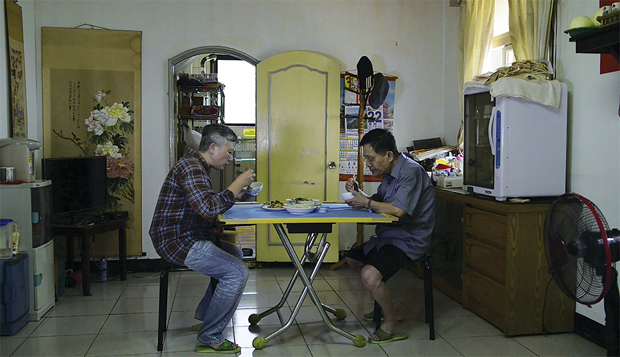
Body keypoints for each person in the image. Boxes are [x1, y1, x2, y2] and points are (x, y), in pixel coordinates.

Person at [149, 123, 255, 354]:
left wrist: (235, 195)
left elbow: (203, 202)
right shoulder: (191, 168)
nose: (230, 158)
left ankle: (208, 317)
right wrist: (235, 184)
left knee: (234, 254)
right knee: (237, 272)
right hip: (177, 242)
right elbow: (208, 209)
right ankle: (210, 336)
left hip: (186, 236)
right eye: (229, 152)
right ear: (213, 148)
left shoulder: (195, 165)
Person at [343, 128, 435, 344]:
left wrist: (366, 202)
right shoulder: (389, 174)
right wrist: (360, 195)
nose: (368, 164)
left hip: (409, 240)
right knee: (352, 258)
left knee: (369, 275)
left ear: (389, 155)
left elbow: (397, 210)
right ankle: (384, 306)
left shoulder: (411, 172)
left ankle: (390, 320)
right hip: (389, 237)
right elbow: (379, 203)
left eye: (371, 159)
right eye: (366, 159)